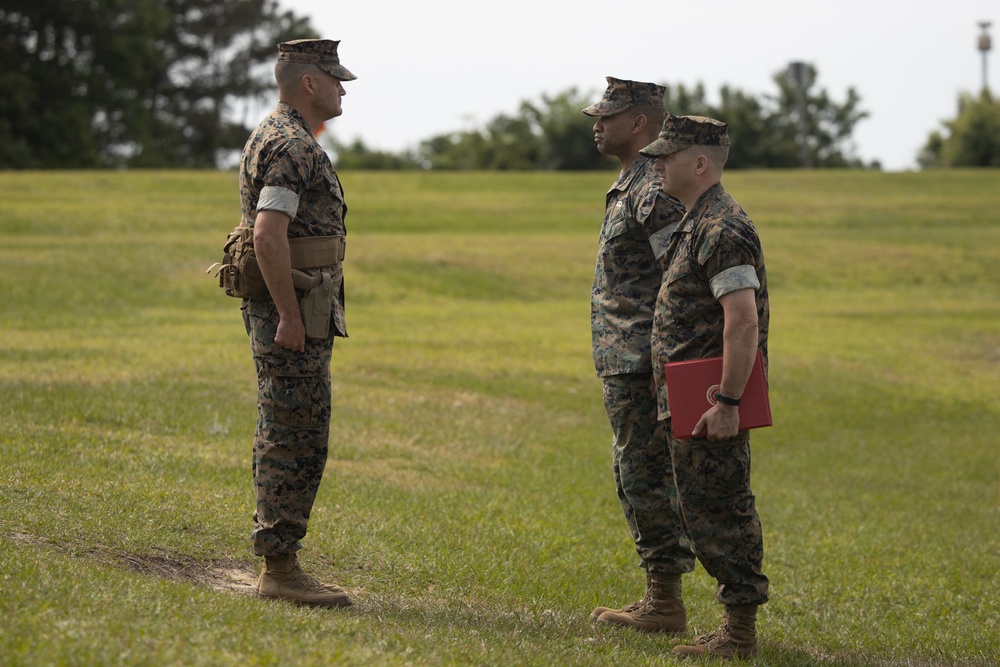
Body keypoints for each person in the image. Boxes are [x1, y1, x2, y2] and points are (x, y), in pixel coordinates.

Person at [641, 114, 770, 659]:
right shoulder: (698, 221)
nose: (658, 165)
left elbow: (741, 320)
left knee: (722, 509)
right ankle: (731, 627)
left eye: (667, 156)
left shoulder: (723, 227)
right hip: (689, 399)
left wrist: (729, 402)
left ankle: (739, 633)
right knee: (701, 507)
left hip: (710, 402)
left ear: (699, 164)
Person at [238, 38, 357, 608]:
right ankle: (280, 569)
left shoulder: (283, 136)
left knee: (291, 427)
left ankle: (281, 562)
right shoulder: (290, 145)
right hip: (294, 312)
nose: (342, 89)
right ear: (308, 82)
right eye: (336, 80)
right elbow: (267, 233)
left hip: (303, 305)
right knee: (294, 434)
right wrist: (288, 314)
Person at [581, 77, 694, 634]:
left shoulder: (653, 187)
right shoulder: (632, 181)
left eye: (607, 116)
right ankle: (660, 595)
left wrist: (663, 360)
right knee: (635, 472)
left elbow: (682, 275)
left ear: (641, 123)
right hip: (626, 360)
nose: (595, 123)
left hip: (645, 362)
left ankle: (665, 602)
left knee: (646, 475)